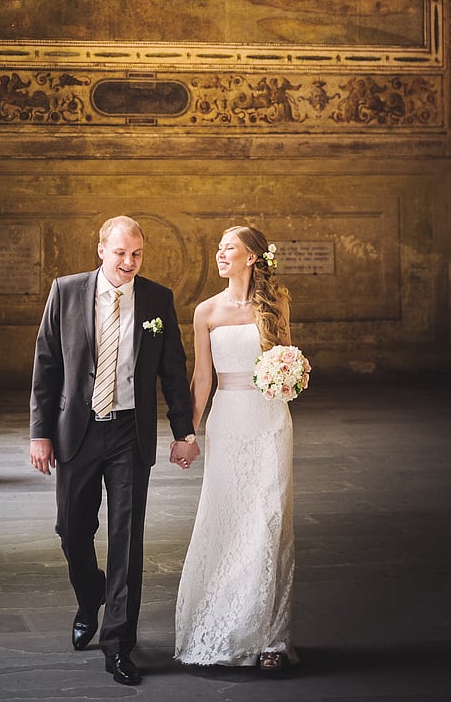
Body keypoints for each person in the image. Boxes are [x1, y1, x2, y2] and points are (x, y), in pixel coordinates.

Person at [29, 215, 200, 686]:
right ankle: (91, 597)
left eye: (137, 254)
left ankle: (118, 643)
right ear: (101, 249)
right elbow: (46, 365)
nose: (129, 261)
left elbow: (173, 370)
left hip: (129, 431)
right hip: (77, 431)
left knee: (127, 538)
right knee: (71, 530)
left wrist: (183, 432)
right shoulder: (66, 291)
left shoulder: (157, 298)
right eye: (121, 252)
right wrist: (39, 433)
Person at [174, 225, 296, 672]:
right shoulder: (206, 311)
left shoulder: (275, 303)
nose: (221, 254)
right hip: (228, 421)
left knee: (269, 519)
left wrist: (290, 375)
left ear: (252, 257)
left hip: (270, 419)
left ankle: (272, 638)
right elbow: (202, 378)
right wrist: (187, 434)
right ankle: (227, 622)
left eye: (230, 248)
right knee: (227, 518)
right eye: (219, 248)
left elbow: (286, 355)